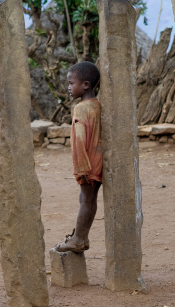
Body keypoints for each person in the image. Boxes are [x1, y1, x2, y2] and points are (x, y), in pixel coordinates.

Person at [55, 61, 102, 253]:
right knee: (90, 199)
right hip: (97, 161)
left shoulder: (81, 109)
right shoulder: (96, 105)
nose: (68, 87)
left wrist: (82, 169)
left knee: (85, 199)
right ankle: (82, 237)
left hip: (88, 163)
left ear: (85, 85)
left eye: (71, 83)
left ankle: (78, 239)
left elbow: (81, 140)